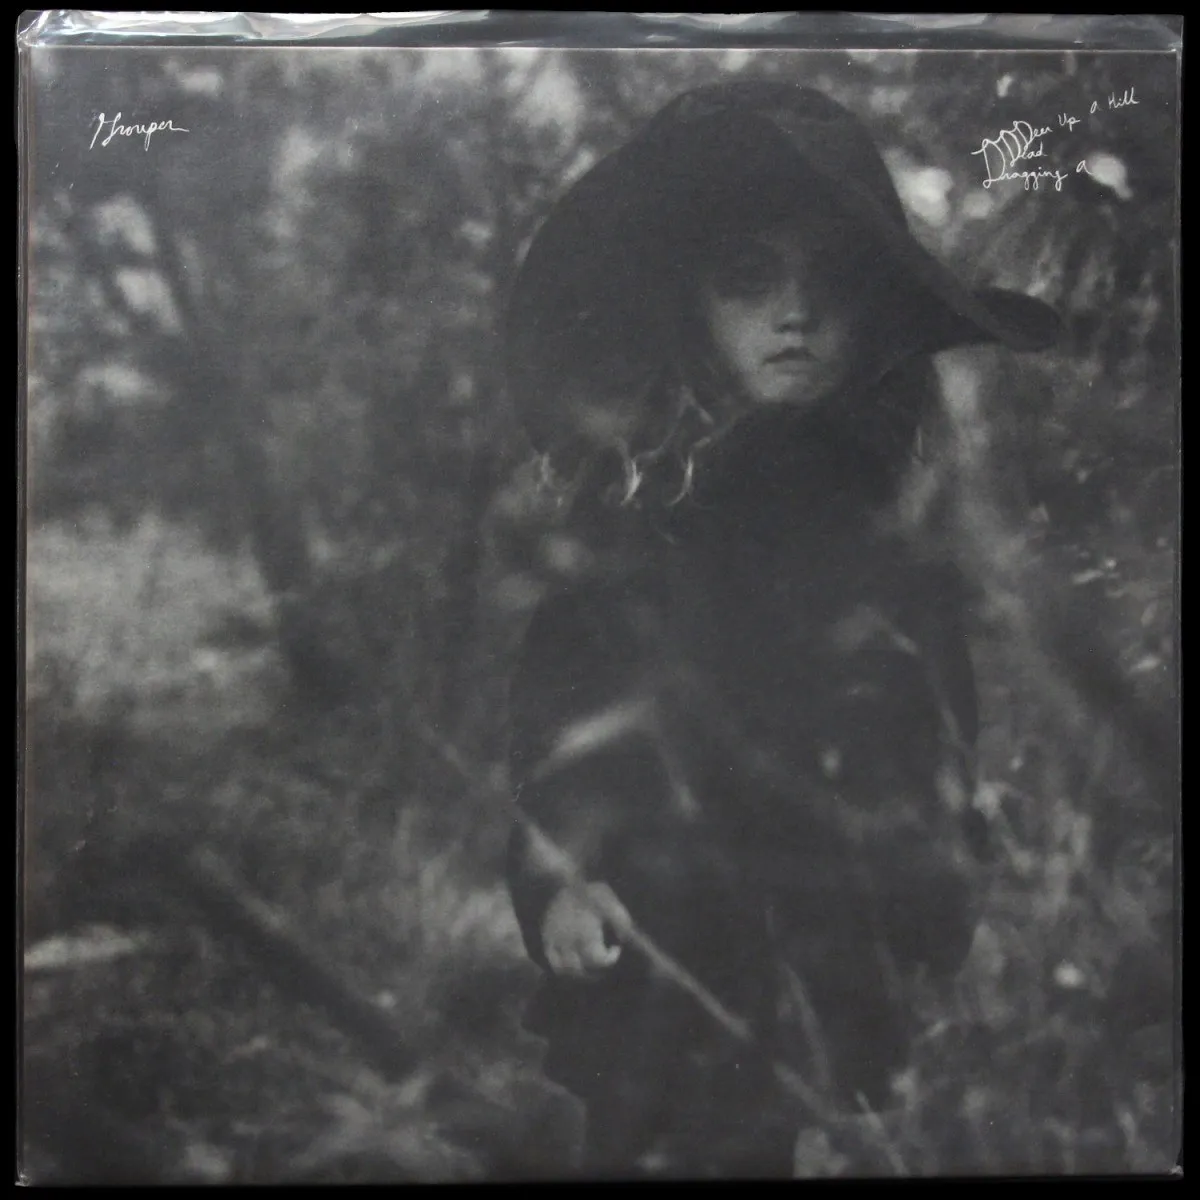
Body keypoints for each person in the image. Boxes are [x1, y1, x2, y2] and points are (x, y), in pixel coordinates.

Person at [502, 80, 1060, 1178]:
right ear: (692, 307)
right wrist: (560, 878)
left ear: (875, 308)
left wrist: (946, 899)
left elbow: (938, 729)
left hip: (836, 946)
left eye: (829, 280)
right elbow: (556, 722)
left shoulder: (892, 527)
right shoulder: (635, 517)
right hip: (658, 943)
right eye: (750, 279)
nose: (794, 313)